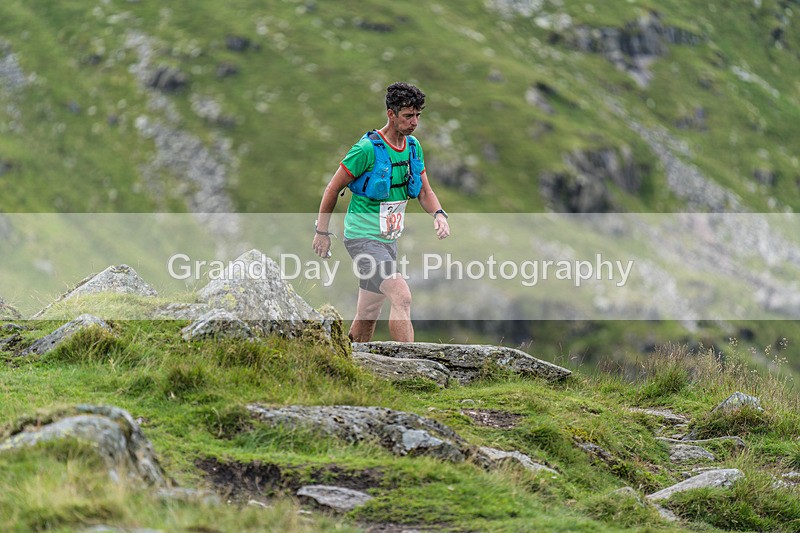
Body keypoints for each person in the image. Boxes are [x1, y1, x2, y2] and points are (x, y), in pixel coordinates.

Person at [312, 82, 450, 342]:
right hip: (362, 237)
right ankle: (411, 368)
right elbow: (332, 188)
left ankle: (350, 363)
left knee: (368, 311)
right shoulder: (366, 150)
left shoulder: (412, 148)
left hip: (388, 239)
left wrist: (439, 214)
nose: (414, 122)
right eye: (408, 116)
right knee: (402, 296)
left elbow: (424, 192)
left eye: (418, 115)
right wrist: (322, 232)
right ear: (391, 114)